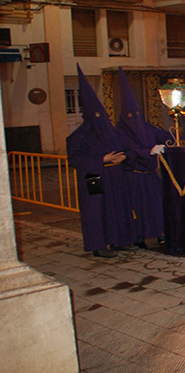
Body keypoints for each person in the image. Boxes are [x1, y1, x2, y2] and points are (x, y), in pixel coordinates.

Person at [66, 65, 135, 258]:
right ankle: (98, 244)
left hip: (115, 176)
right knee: (96, 212)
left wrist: (125, 156)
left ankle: (120, 240)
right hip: (94, 177)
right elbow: (75, 157)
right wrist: (101, 159)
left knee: (117, 209)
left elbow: (125, 146)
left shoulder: (110, 131)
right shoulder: (78, 136)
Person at [115, 67, 172, 247]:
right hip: (133, 176)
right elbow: (128, 148)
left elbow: (165, 136)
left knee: (156, 207)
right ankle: (138, 237)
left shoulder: (146, 127)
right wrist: (149, 150)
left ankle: (161, 234)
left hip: (150, 175)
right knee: (137, 210)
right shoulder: (119, 132)